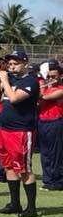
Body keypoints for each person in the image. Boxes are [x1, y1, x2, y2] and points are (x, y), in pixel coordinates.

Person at [0, 50, 40, 217]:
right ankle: (15, 203)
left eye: (16, 63)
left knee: (24, 168)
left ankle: (31, 207)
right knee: (9, 167)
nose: (12, 67)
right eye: (10, 64)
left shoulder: (30, 82)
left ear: (25, 63)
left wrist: (5, 80)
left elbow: (14, 98)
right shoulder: (9, 80)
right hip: (4, 129)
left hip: (21, 131)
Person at [37, 61, 63, 190]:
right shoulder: (46, 87)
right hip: (42, 122)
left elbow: (46, 98)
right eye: (49, 77)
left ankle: (57, 181)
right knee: (44, 153)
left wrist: (39, 86)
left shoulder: (61, 89)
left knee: (55, 153)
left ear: (60, 76)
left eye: (54, 76)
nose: (51, 79)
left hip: (55, 122)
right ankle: (47, 180)